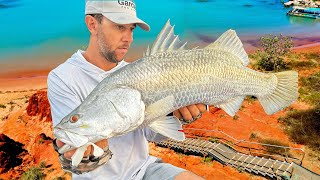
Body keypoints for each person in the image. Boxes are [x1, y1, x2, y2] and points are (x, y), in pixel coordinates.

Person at [48, 0, 207, 179]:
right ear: (92, 24)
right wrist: (88, 155)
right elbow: (75, 161)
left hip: (143, 170)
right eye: (119, 27)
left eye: (131, 28)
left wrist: (175, 116)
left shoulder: (134, 72)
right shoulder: (63, 77)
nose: (128, 38)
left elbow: (149, 133)